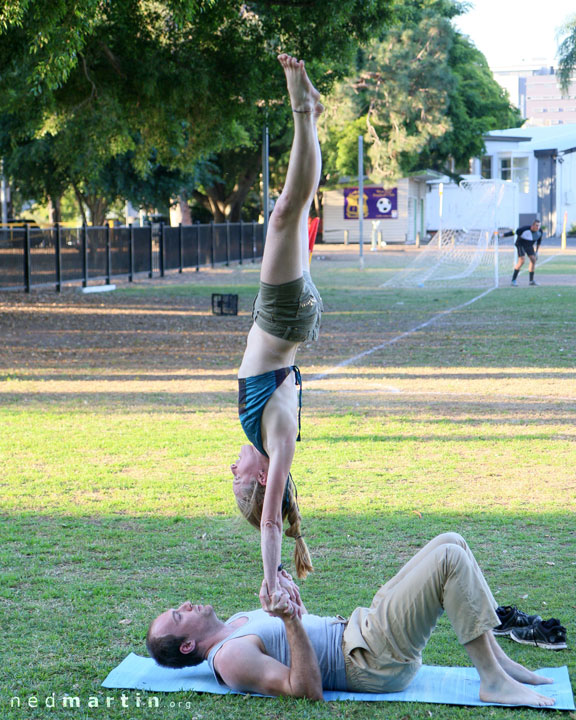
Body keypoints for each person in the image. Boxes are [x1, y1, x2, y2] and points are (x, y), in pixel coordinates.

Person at [146, 533, 555, 707]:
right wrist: (290, 620)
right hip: (370, 661)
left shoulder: (236, 622)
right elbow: (305, 690)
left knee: (451, 542)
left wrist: (295, 604)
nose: (187, 603)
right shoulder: (230, 659)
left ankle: (499, 662)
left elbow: (300, 639)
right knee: (449, 560)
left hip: (362, 630)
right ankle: (493, 682)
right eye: (179, 614)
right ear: (186, 645)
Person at [231, 53, 324, 609]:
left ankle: (308, 114)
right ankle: (302, 111)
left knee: (292, 209)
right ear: (263, 478)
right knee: (287, 211)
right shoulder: (277, 442)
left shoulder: (267, 440)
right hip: (283, 314)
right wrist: (270, 579)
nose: (234, 468)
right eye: (239, 479)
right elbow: (270, 524)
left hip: (289, 316)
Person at [504, 219, 543, 286]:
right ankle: (513, 280)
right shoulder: (524, 229)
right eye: (536, 225)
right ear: (532, 225)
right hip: (520, 244)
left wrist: (536, 251)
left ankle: (531, 281)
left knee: (533, 260)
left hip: (529, 245)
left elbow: (539, 242)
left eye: (539, 226)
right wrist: (503, 235)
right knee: (522, 261)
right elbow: (514, 232)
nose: (538, 227)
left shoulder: (540, 231)